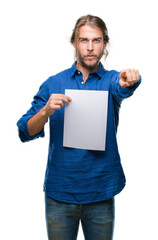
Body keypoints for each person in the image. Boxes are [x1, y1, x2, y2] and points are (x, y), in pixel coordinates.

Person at [17, 15, 141, 240]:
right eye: (84, 40)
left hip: (101, 193)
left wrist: (130, 80)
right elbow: (25, 130)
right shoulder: (54, 83)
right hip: (60, 194)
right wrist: (45, 111)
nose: (91, 48)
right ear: (74, 43)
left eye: (97, 40)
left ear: (105, 44)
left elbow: (122, 87)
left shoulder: (111, 80)